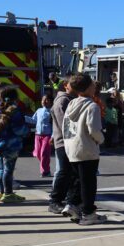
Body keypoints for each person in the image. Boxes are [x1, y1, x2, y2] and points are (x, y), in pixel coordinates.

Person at [62, 74, 106, 224]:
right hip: (86, 148)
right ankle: (88, 213)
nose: (95, 87)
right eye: (93, 85)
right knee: (88, 182)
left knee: (77, 180)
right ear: (88, 88)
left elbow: (65, 126)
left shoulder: (71, 104)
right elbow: (94, 130)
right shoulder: (92, 106)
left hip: (71, 146)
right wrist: (100, 139)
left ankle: (72, 204)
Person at [0, 86, 29, 203]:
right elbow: (19, 130)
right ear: (15, 98)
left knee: (1, 169)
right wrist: (26, 132)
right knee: (8, 169)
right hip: (11, 145)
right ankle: (8, 194)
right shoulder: (14, 111)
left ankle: (1, 192)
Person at [49, 75, 81, 217]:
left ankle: (69, 200)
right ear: (66, 85)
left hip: (69, 141)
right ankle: (55, 201)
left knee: (71, 173)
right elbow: (65, 124)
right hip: (64, 142)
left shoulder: (70, 99)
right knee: (64, 172)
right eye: (73, 84)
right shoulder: (63, 100)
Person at [31, 94, 54, 177]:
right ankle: (45, 167)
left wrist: (52, 136)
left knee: (44, 153)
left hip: (47, 135)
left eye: (47, 100)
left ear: (51, 102)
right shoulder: (39, 110)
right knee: (37, 153)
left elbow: (54, 125)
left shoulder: (52, 111)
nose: (44, 101)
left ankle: (45, 171)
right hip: (38, 135)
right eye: (42, 100)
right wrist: (23, 118)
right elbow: (33, 120)